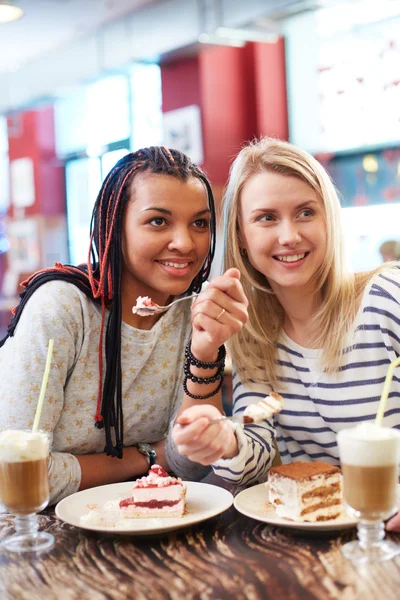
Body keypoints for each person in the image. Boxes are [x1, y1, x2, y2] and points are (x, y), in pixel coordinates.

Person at [0, 146, 249, 505]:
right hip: (36, 535)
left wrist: (205, 350)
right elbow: (19, 474)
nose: (184, 242)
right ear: (115, 228)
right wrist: (149, 456)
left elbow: (190, 463)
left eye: (200, 223)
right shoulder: (62, 308)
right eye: (158, 221)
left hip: (146, 526)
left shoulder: (190, 315)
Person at [174, 137, 400, 531]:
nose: (289, 235)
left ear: (328, 218)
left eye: (305, 212)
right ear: (241, 235)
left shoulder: (386, 297)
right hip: (316, 539)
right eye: (266, 218)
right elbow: (257, 450)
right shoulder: (254, 335)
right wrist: (226, 440)